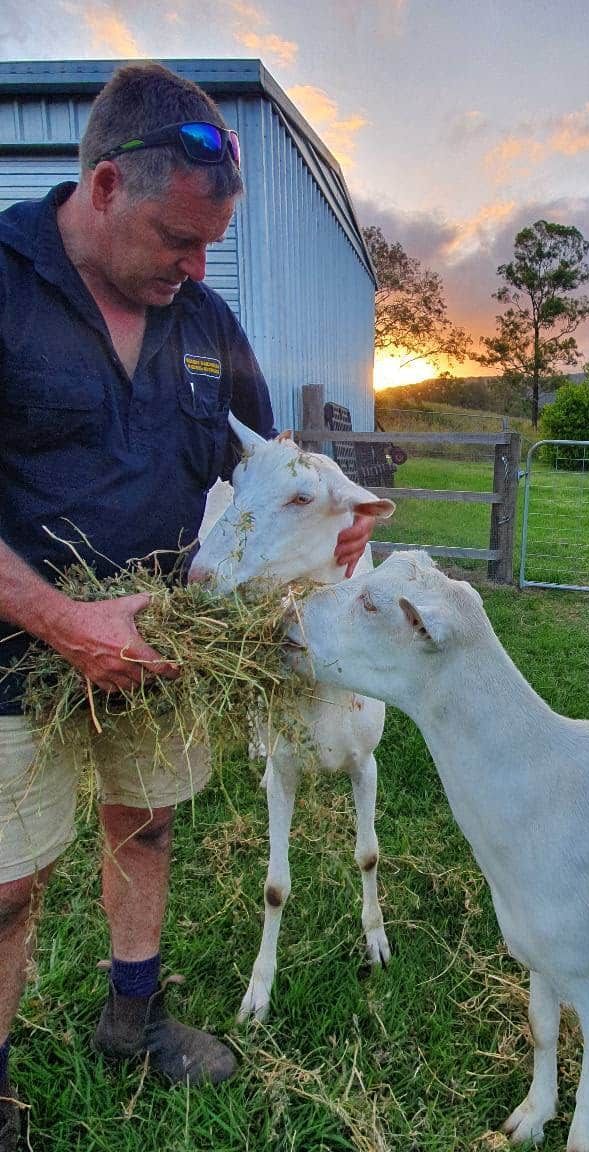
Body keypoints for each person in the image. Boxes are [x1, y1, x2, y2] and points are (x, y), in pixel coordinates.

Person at [0, 61, 374, 1148]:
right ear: (106, 186)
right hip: (17, 654)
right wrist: (66, 622)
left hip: (166, 641)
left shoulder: (205, 320)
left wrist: (335, 519)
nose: (196, 267)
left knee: (148, 825)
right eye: (177, 238)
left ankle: (134, 1015)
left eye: (211, 243)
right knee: (10, 883)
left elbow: (271, 464)